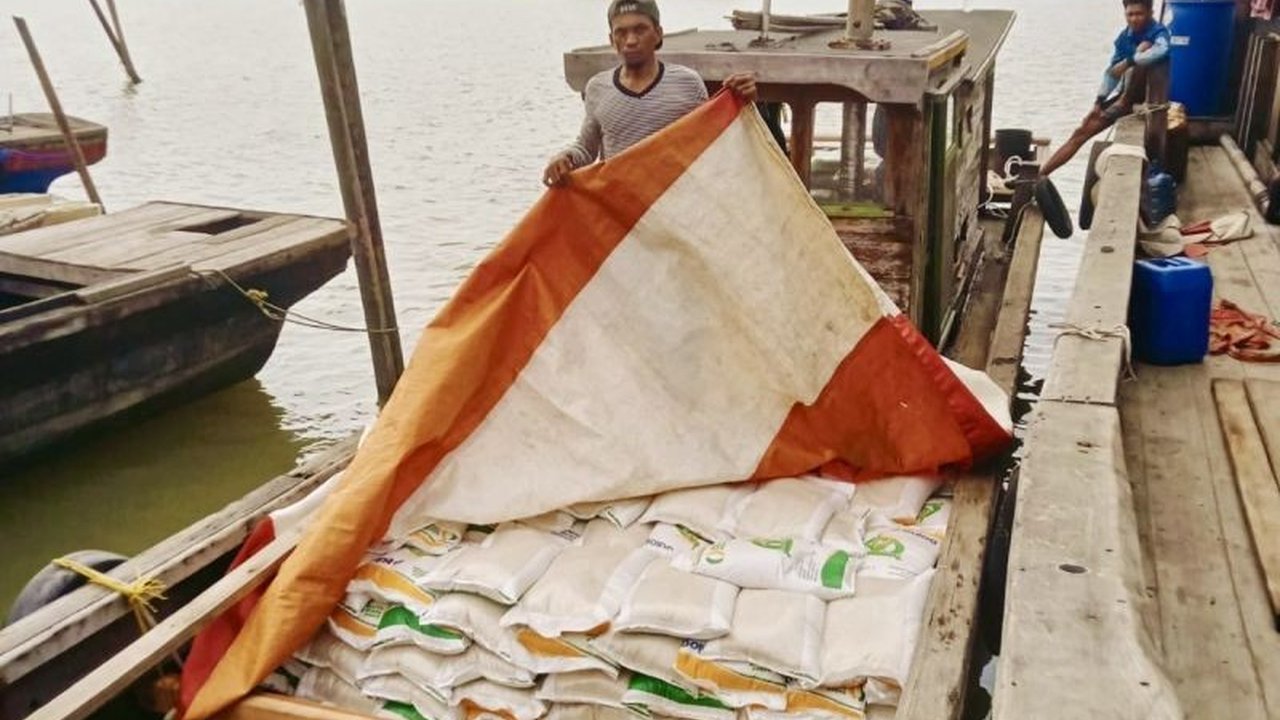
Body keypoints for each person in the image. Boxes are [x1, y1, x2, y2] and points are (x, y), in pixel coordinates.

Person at [543, 0, 758, 186]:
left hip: (669, 209)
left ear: (658, 34)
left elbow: (712, 145)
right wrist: (565, 158)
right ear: (611, 40)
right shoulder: (597, 88)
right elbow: (586, 149)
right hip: (621, 213)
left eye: (640, 29)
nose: (631, 40)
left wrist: (742, 102)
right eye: (621, 32)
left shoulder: (688, 83)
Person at [1038, 0, 1170, 177]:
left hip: (1151, 98)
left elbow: (1161, 51)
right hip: (1124, 97)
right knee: (1081, 131)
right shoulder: (1124, 38)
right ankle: (1040, 175)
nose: (1134, 19)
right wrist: (1099, 101)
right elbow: (1112, 73)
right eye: (1130, 14)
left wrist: (1132, 59)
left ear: (1150, 13)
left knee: (1144, 49)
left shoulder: (1159, 33)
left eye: (1139, 14)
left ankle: (1125, 102)